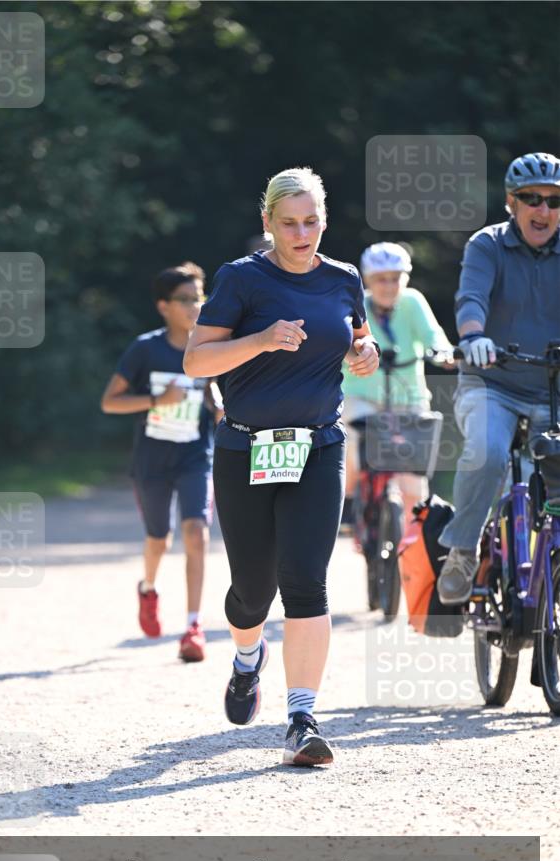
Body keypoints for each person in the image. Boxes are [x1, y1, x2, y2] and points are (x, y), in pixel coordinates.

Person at [184, 167, 379, 766]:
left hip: (319, 446)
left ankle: (302, 718)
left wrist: (364, 353)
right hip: (246, 448)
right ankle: (247, 658)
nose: (302, 233)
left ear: (325, 220)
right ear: (267, 222)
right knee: (251, 592)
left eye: (312, 221)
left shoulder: (344, 279)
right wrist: (261, 339)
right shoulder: (241, 280)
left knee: (305, 581)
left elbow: (356, 339)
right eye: (289, 223)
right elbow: (197, 360)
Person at [437, 152, 560, 605]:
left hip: (553, 389)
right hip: (493, 382)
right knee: (487, 452)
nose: (543, 210)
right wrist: (473, 338)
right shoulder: (486, 245)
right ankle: (463, 551)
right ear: (512, 202)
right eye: (532, 199)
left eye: (553, 200)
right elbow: (471, 299)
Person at [101, 262, 222, 661]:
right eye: (184, 300)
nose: (194, 307)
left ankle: (193, 625)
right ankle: (148, 588)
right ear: (163, 306)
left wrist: (219, 402)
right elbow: (110, 401)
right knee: (158, 539)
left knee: (196, 533)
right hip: (152, 460)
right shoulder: (146, 348)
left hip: (195, 456)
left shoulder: (210, 346)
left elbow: (219, 393)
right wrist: (157, 400)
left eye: (198, 298)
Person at [341, 242, 453, 528]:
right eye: (381, 279)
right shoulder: (357, 305)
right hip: (362, 394)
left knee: (414, 486)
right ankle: (349, 501)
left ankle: (414, 544)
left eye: (396, 278)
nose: (389, 286)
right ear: (368, 280)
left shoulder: (413, 301)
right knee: (351, 437)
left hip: (409, 397)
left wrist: (444, 353)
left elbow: (433, 336)